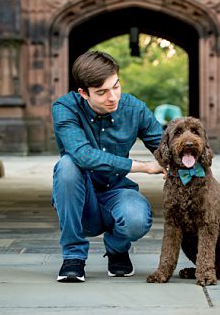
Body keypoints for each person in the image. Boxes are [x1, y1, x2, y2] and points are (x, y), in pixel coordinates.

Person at [51, 50, 165, 283]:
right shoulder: (65, 108)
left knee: (137, 218)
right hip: (80, 197)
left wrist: (188, 164)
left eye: (116, 86)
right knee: (68, 165)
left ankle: (117, 248)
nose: (112, 97)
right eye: (102, 92)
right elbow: (83, 155)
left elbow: (164, 148)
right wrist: (143, 166)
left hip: (117, 191)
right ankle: (73, 257)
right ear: (83, 93)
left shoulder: (134, 108)